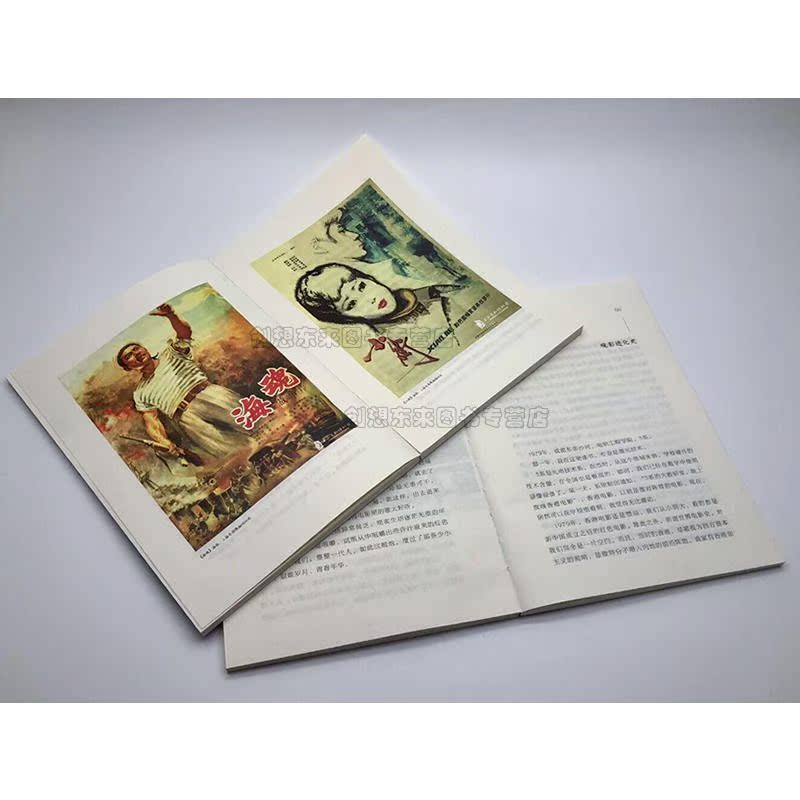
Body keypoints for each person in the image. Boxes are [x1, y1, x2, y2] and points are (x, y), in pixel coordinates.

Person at [116, 303, 260, 463]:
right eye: (129, 356)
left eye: (136, 349)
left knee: (258, 422)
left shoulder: (170, 353)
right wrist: (164, 442)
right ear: (127, 367)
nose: (136, 354)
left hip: (209, 395)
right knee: (234, 452)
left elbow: (185, 334)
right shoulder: (140, 393)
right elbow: (152, 421)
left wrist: (172, 316)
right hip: (188, 420)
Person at [295, 263, 467, 331]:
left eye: (361, 287)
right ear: (347, 319)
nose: (370, 299)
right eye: (351, 304)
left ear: (370, 279)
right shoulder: (387, 341)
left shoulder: (433, 292)